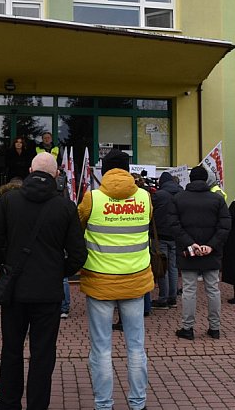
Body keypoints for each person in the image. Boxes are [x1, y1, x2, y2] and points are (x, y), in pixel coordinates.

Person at [0, 152, 87, 410]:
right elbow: (78, 254)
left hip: (14, 290)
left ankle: (8, 404)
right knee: (43, 354)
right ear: (56, 175)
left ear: (30, 170)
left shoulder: (8, 200)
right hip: (48, 293)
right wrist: (57, 271)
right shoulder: (65, 206)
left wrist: (1, 269)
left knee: (11, 350)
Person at [78, 149, 154, 410]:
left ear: (104, 169)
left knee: (101, 349)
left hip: (100, 282)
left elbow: (78, 225)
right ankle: (137, 403)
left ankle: (103, 404)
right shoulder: (144, 197)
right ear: (127, 167)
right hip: (135, 281)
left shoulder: (92, 198)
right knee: (136, 347)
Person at [171, 165, 231, 340]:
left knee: (189, 290)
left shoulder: (179, 198)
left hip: (189, 252)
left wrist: (191, 244)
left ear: (190, 179)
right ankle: (215, 328)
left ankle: (187, 328)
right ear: (206, 180)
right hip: (211, 252)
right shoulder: (217, 200)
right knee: (213, 289)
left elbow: (174, 225)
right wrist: (211, 246)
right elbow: (225, 225)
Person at [151, 171, 183, 309]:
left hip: (160, 236)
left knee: (161, 266)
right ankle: (173, 298)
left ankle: (163, 298)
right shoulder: (182, 194)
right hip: (176, 235)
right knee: (173, 267)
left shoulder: (159, 195)